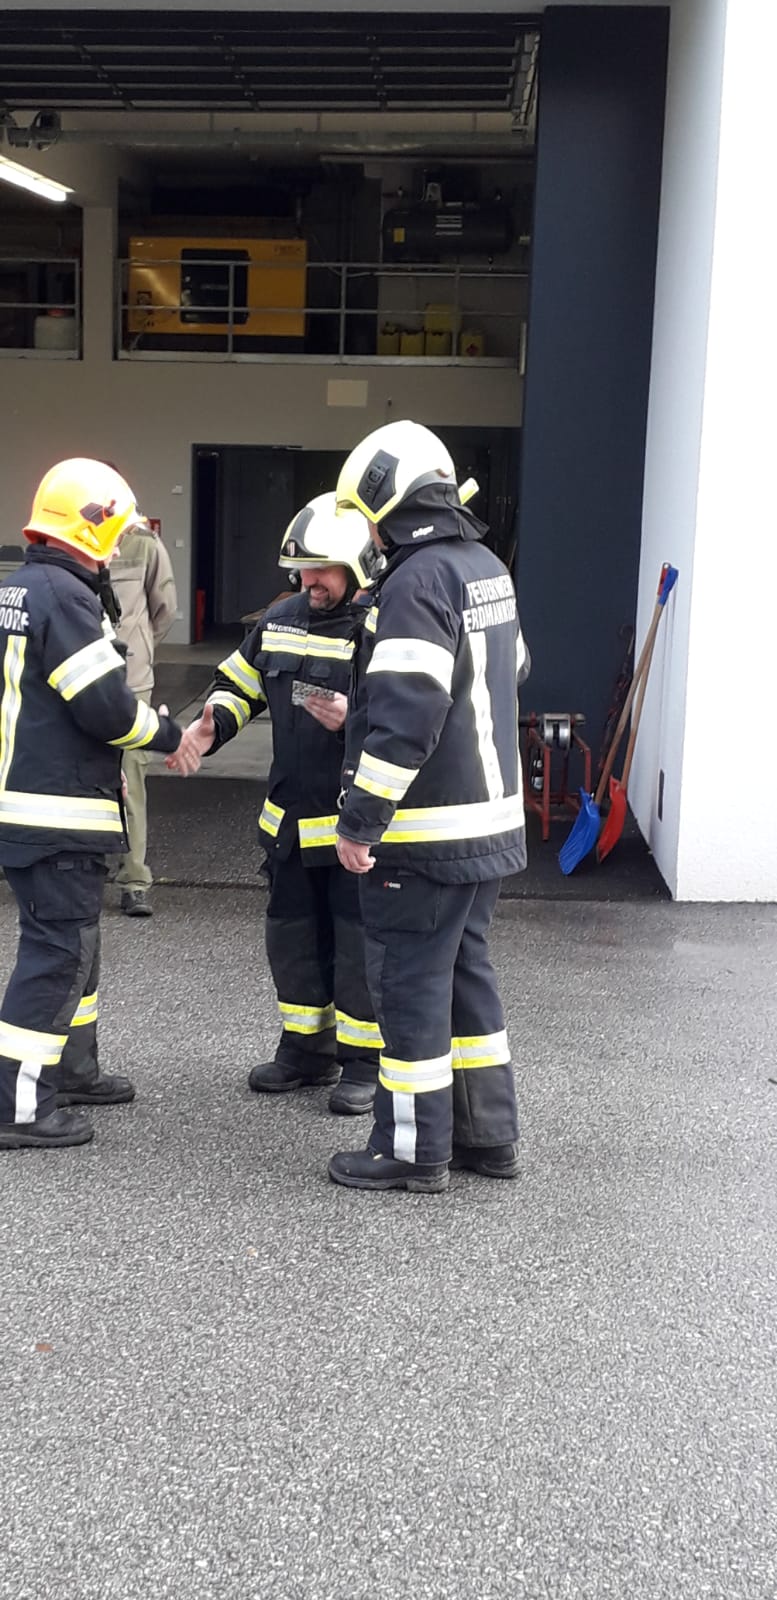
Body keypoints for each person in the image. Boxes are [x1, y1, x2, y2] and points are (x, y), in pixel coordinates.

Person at [328, 420, 531, 1194]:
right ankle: (488, 1136)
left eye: (366, 515)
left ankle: (411, 1149)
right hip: (487, 827)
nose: (369, 533)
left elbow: (407, 717)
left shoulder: (415, 582)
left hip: (422, 837)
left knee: (410, 987)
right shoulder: (484, 567)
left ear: (389, 500)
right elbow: (514, 666)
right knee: (465, 978)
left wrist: (360, 822)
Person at [168, 492, 384, 1116]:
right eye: (302, 569)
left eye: (322, 569)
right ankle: (305, 1049)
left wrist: (354, 718)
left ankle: (363, 1062)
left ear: (359, 564)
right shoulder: (282, 618)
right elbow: (239, 682)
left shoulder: (383, 626)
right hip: (290, 825)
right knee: (291, 940)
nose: (308, 581)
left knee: (356, 945)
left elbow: (410, 720)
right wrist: (212, 724)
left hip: (350, 827)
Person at [0, 459, 183, 1151]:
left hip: (28, 805)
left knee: (75, 949)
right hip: (57, 814)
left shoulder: (18, 588)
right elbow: (105, 707)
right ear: (96, 528)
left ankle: (72, 1071)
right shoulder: (66, 598)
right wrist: (168, 735)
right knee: (56, 953)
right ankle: (19, 1105)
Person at [110, 513, 177, 917]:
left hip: (130, 682)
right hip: (76, 681)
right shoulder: (70, 542)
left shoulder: (143, 544)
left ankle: (134, 880)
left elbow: (164, 608)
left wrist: (139, 648)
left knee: (131, 779)